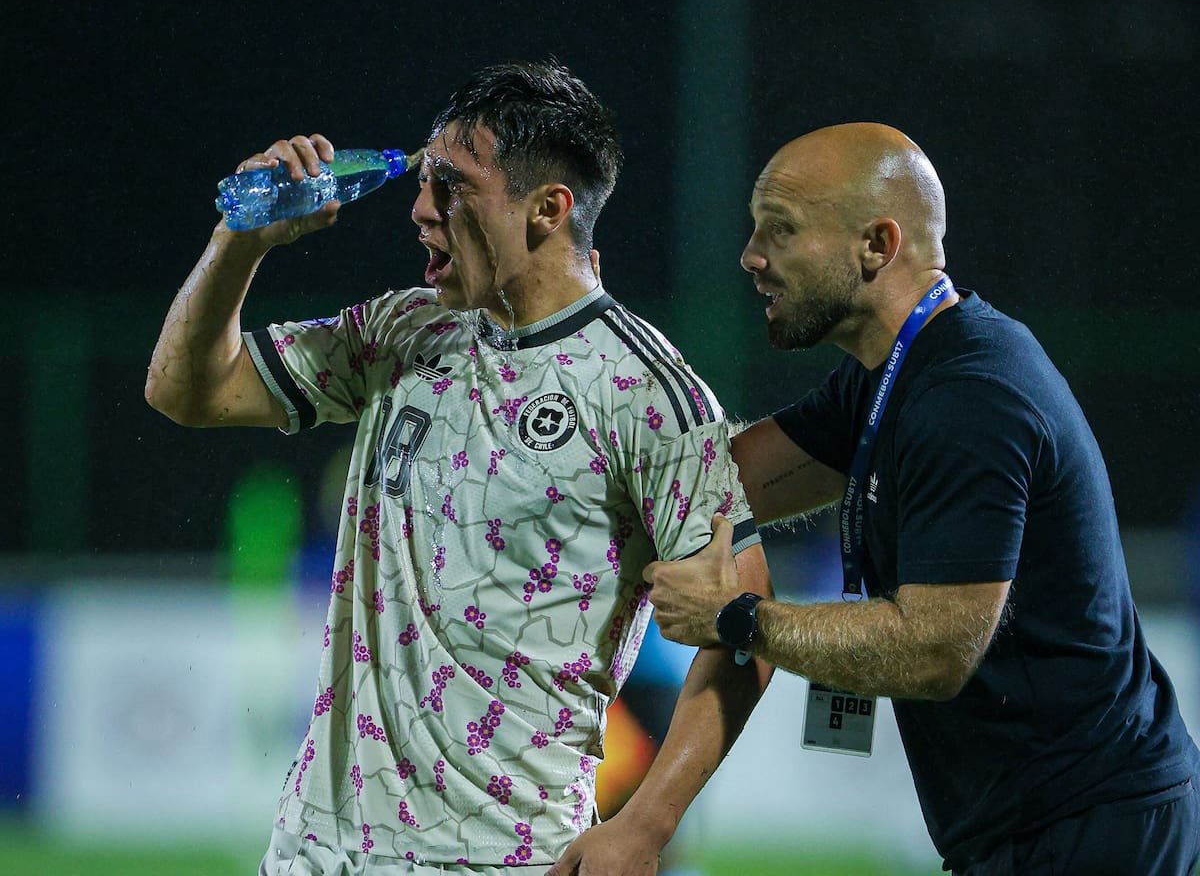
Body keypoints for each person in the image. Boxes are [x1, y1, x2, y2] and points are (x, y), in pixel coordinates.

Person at [145, 60, 771, 875]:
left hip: (505, 859)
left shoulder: (645, 393)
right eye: (423, 177)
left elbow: (745, 628)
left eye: (452, 185)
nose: (418, 208)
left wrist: (646, 825)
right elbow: (184, 391)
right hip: (314, 853)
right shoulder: (404, 332)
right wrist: (240, 241)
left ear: (548, 209)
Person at [644, 122, 1200, 875]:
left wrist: (738, 618)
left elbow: (937, 647)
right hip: (1034, 827)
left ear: (877, 245)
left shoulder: (972, 395)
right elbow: (727, 479)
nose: (752, 255)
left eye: (781, 229)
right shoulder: (892, 377)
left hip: (1092, 829)